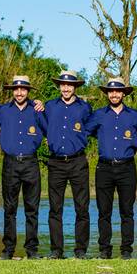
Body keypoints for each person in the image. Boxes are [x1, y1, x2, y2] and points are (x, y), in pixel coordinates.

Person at [84, 77, 137, 259]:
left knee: (127, 211)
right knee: (104, 212)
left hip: (126, 168)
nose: (114, 94)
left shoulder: (133, 115)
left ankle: (126, 250)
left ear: (123, 93)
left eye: (117, 91)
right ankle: (105, 250)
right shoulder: (99, 115)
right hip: (105, 168)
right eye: (111, 91)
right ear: (107, 93)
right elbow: (85, 131)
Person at [0, 75, 48, 259]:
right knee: (10, 209)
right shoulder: (3, 111)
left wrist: (43, 108)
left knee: (32, 209)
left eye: (23, 89)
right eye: (16, 89)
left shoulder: (37, 110)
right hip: (10, 163)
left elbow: (48, 129)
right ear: (12, 91)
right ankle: (8, 250)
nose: (19, 92)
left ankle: (31, 250)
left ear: (28, 91)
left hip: (31, 163)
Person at [43, 70, 92, 259]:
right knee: (55, 208)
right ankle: (56, 250)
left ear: (75, 87)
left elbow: (94, 127)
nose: (66, 88)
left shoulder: (85, 108)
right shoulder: (49, 107)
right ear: (59, 86)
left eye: (69, 85)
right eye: (63, 85)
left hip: (78, 161)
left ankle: (81, 250)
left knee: (82, 207)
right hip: (56, 162)